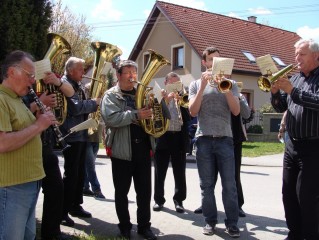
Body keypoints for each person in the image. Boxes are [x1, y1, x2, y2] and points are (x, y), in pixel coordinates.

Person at [101, 60, 157, 240]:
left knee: (144, 192)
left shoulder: (143, 93)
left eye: (135, 72)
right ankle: (124, 226)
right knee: (121, 192)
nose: (133, 76)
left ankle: (144, 226)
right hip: (121, 150)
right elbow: (111, 119)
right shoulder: (110, 95)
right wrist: (136, 115)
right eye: (128, 73)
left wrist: (161, 101)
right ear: (118, 75)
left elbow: (162, 116)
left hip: (143, 148)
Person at [0, 50, 54, 240]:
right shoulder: (1, 99)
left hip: (29, 182)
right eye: (29, 75)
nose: (33, 80)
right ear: (12, 72)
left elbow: (24, 131)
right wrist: (39, 125)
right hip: (12, 186)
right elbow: (2, 143)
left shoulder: (17, 99)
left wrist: (39, 120)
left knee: (27, 236)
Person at [188, 46, 241, 238]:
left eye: (218, 60)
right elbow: (193, 112)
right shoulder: (194, 84)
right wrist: (203, 86)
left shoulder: (231, 83)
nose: (214, 63)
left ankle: (232, 223)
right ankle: (210, 222)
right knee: (207, 185)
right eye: (211, 60)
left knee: (230, 185)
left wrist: (225, 86)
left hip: (225, 139)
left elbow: (236, 111)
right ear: (205, 63)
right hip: (203, 140)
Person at [270, 38, 319, 240]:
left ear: (316, 56)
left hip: (313, 146)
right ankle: (294, 233)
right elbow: (282, 107)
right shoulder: (295, 78)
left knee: (307, 197)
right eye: (296, 54)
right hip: (292, 145)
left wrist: (291, 90)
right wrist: (275, 93)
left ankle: (310, 235)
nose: (296, 58)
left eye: (302, 54)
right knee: (288, 194)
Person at [25, 72, 75, 240]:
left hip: (45, 144)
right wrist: (39, 103)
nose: (32, 78)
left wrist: (58, 82)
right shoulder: (17, 90)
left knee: (56, 188)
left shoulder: (47, 83)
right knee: (28, 194)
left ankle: (51, 232)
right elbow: (19, 109)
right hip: (26, 147)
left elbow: (70, 93)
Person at [59, 57, 100, 227]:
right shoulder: (65, 84)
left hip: (81, 134)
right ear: (70, 71)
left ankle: (75, 205)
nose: (84, 73)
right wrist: (94, 103)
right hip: (72, 135)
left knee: (80, 173)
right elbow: (75, 107)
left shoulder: (78, 85)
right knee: (71, 174)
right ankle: (63, 211)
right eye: (80, 69)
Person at [152, 72, 190, 213]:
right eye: (173, 83)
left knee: (179, 172)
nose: (175, 86)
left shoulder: (183, 97)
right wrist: (166, 101)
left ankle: (179, 201)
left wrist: (181, 101)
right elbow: (155, 117)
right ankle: (158, 200)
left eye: (178, 83)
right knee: (159, 172)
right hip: (163, 137)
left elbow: (189, 116)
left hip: (178, 137)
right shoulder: (158, 96)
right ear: (166, 83)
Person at [230, 83, 252, 218]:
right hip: (218, 137)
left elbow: (247, 114)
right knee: (211, 175)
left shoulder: (238, 94)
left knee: (234, 174)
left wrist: (238, 97)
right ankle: (207, 204)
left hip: (235, 138)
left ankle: (238, 205)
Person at [83, 123, 106, 200]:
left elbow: (102, 123)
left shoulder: (99, 110)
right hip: (86, 139)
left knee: (88, 166)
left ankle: (85, 188)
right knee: (90, 166)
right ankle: (96, 190)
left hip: (96, 138)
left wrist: (103, 137)